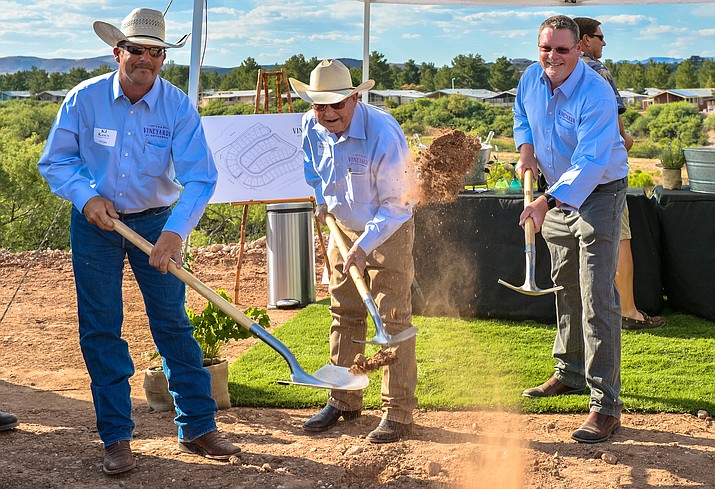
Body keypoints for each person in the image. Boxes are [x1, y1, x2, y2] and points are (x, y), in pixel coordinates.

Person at [38, 8, 240, 475]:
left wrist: (175, 231)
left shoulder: (177, 107)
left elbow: (201, 178)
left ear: (163, 59)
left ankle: (197, 425)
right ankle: (116, 437)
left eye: (155, 52)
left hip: (155, 225)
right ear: (117, 52)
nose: (145, 58)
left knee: (171, 322)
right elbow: (56, 162)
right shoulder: (83, 100)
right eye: (136, 50)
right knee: (102, 327)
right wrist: (85, 197)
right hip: (94, 226)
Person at [289, 59, 417, 443]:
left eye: (336, 104)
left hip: (388, 227)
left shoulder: (383, 134)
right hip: (341, 226)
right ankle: (343, 399)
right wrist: (322, 201)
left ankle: (397, 411)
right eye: (319, 105)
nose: (327, 113)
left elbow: (400, 202)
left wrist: (363, 247)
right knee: (344, 310)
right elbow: (313, 169)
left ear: (354, 97)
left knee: (392, 317)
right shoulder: (310, 126)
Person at [514, 15, 628, 444]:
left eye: (562, 49)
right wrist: (525, 146)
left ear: (579, 49)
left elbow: (590, 163)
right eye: (546, 48)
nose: (553, 57)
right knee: (565, 284)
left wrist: (546, 200)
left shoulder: (596, 92)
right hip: (553, 192)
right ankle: (570, 371)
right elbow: (521, 114)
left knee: (597, 295)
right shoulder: (531, 77)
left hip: (597, 192)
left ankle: (605, 405)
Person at [573, 16, 666, 331]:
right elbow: (615, 122)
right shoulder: (597, 71)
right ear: (584, 39)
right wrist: (625, 140)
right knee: (619, 239)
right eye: (600, 36)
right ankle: (628, 311)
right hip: (602, 174)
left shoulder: (556, 73)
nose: (604, 42)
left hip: (566, 174)